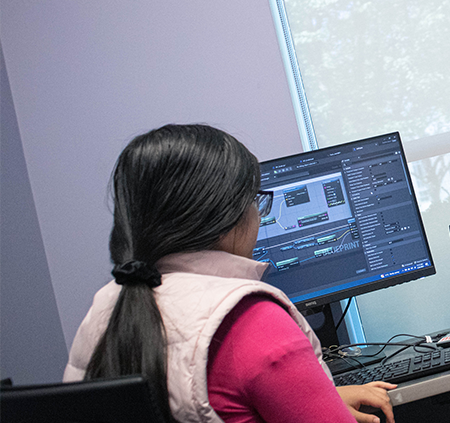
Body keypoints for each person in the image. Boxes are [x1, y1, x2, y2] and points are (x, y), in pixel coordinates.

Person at [63, 124, 396, 423]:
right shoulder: (252, 321)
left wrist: (313, 398)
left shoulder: (106, 309)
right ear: (224, 218)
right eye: (255, 200)